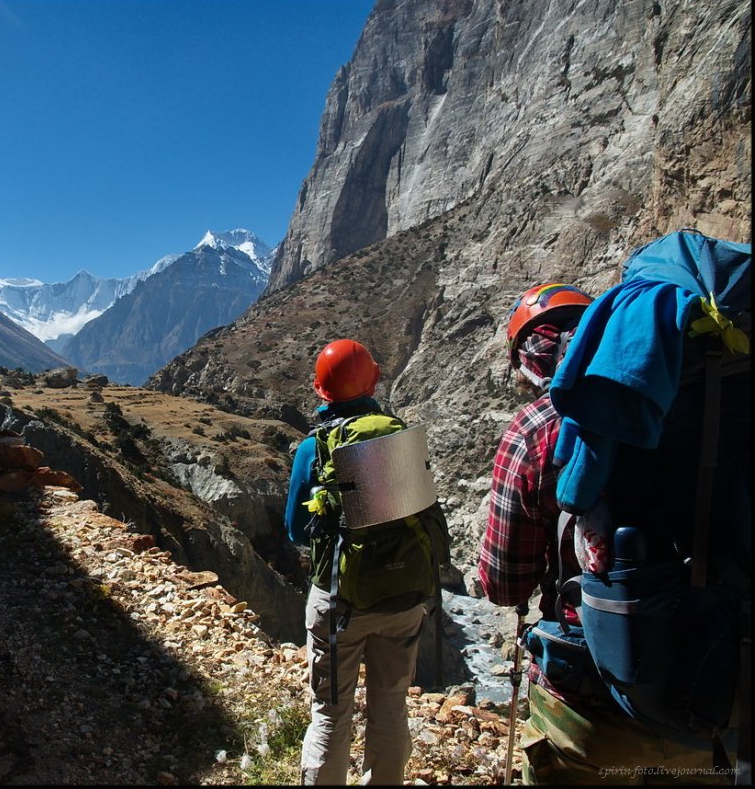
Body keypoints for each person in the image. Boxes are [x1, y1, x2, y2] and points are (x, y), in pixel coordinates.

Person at [478, 282, 725, 784]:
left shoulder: (535, 429)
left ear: (528, 359)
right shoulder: (699, 405)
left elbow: (504, 584)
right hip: (712, 687)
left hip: (589, 694)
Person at [285, 339, 433, 785]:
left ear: (320, 390)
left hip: (340, 599)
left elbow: (294, 530)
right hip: (404, 596)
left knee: (331, 712)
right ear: (375, 379)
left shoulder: (314, 448)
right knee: (390, 704)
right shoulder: (398, 432)